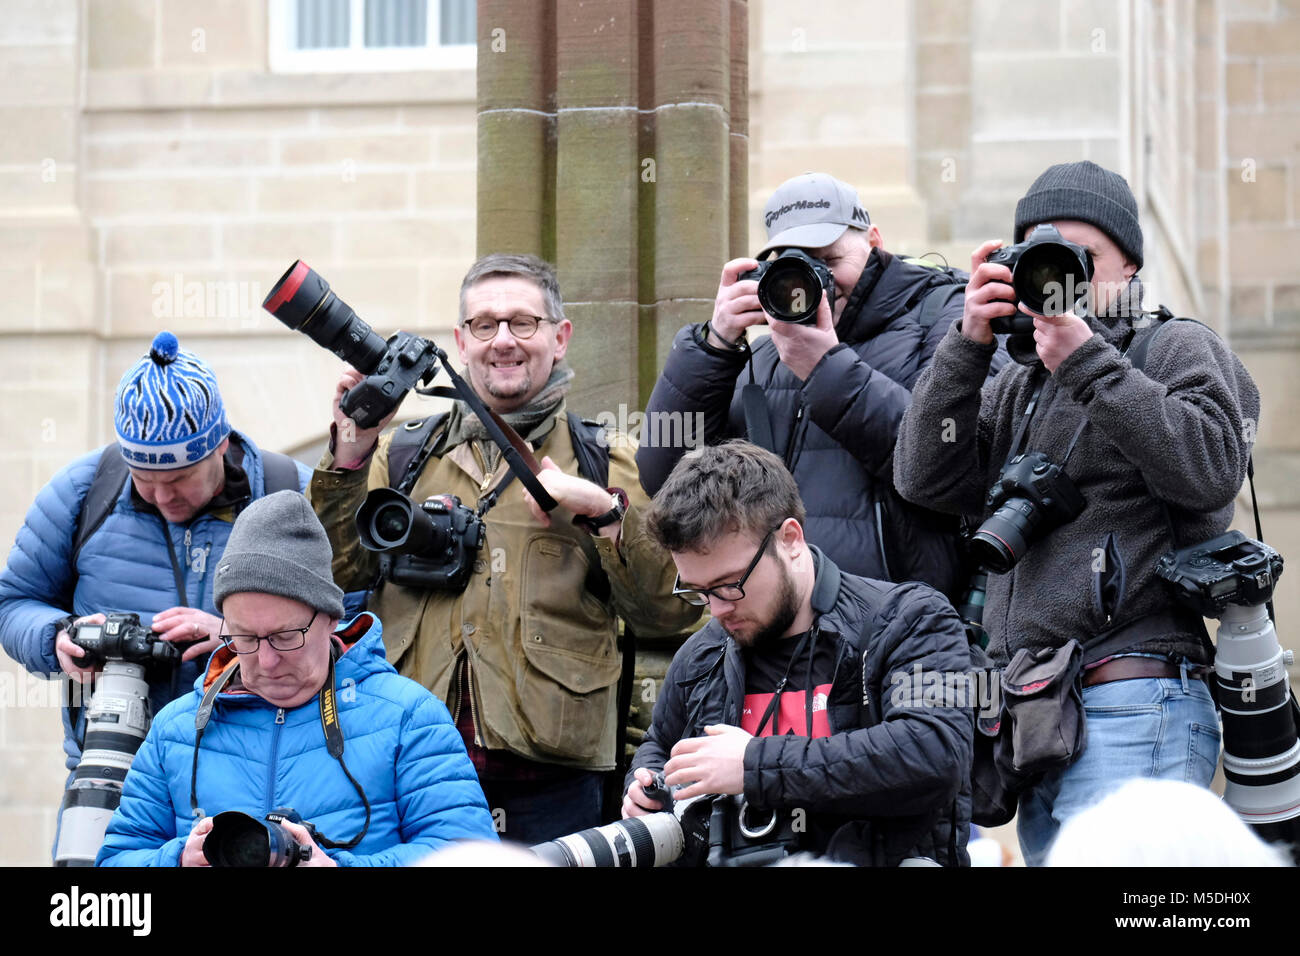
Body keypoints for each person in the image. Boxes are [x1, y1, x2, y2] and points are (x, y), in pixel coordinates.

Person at [893, 160, 1261, 865]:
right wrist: (967, 343)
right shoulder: (1021, 382)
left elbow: (1213, 467)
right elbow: (923, 477)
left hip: (1136, 698)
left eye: (1081, 258)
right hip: (1041, 720)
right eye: (1039, 255)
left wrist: (1089, 362)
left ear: (1128, 264)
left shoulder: (1175, 345)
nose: (1063, 279)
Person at [308, 253, 699, 844]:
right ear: (460, 343)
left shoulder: (609, 460)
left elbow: (668, 611)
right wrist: (349, 457)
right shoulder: (402, 456)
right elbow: (333, 578)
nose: (503, 342)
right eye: (485, 325)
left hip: (549, 778)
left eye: (524, 323)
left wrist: (605, 515)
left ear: (560, 338)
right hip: (406, 765)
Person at [637, 172, 1007, 600]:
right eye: (796, 267)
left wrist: (824, 367)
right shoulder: (768, 356)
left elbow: (947, 457)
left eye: (829, 262)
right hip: (774, 617)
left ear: (874, 240)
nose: (818, 284)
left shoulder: (946, 315)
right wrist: (714, 345)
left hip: (901, 621)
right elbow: (662, 475)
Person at [96, 491, 496, 866]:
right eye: (245, 638)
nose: (267, 661)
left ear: (331, 617)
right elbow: (115, 868)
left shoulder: (408, 716)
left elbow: (472, 858)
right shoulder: (176, 729)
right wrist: (178, 859)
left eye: (285, 637)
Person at [623, 442, 973, 866]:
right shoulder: (702, 654)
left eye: (730, 584)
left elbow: (933, 753)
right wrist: (645, 789)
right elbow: (660, 744)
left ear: (790, 539)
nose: (717, 609)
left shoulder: (910, 619)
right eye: (698, 592)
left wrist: (755, 765)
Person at [0, 332, 310, 794]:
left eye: (181, 478)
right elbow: (14, 602)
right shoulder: (84, 492)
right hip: (111, 779)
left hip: (261, 777)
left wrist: (237, 637)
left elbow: (353, 625)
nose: (164, 497)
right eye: (144, 480)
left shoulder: (291, 496)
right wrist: (57, 638)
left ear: (219, 444)